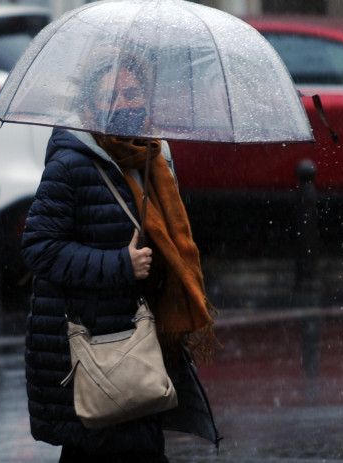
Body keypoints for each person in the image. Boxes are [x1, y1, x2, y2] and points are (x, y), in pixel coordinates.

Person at [20, 57, 217, 462]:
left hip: (136, 341)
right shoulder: (70, 164)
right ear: (90, 107)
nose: (129, 103)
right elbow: (39, 247)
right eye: (115, 95)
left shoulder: (151, 160)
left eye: (134, 92)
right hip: (94, 350)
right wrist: (119, 265)